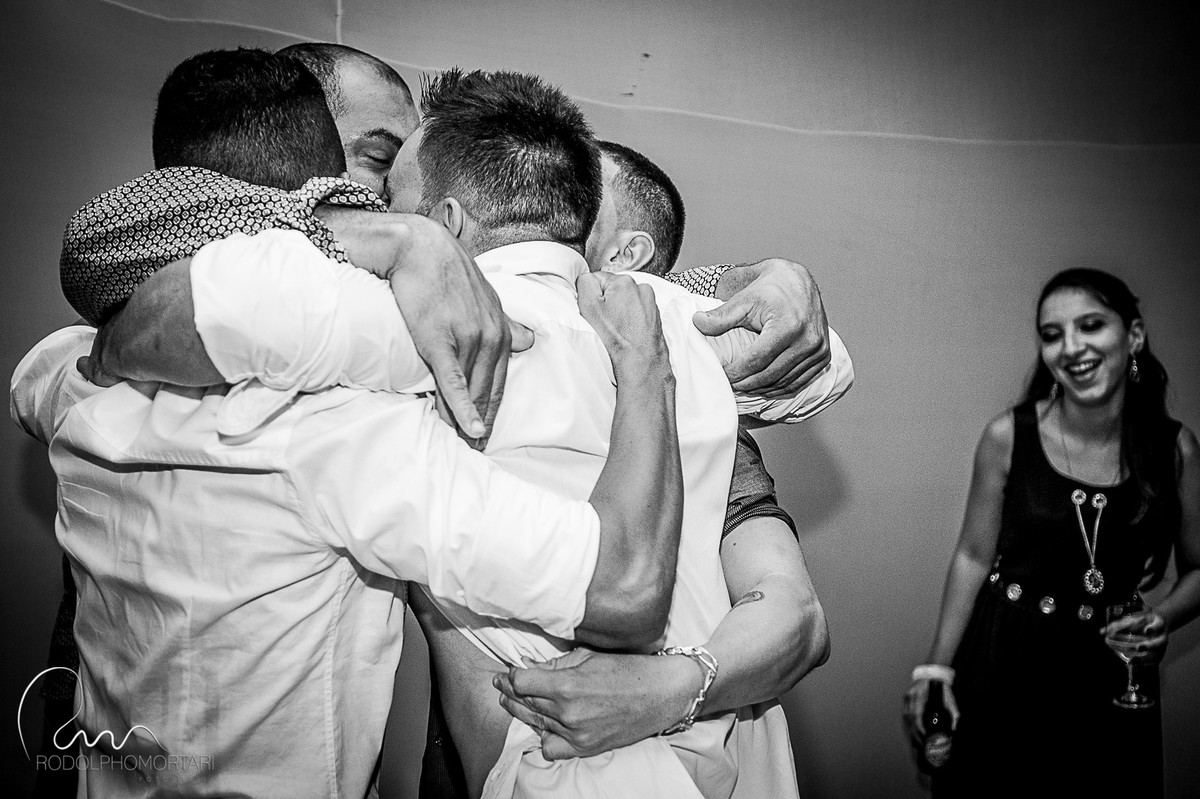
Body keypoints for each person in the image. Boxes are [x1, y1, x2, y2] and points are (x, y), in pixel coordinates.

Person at [14, 50, 693, 797]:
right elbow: (620, 589)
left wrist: (726, 284)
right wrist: (659, 350)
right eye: (376, 162)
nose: (391, 201)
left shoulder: (63, 378)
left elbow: (55, 361)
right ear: (315, 173)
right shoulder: (334, 415)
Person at [416, 137, 836, 799]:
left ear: (625, 254)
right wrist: (743, 277)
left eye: (581, 197)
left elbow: (797, 615)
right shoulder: (452, 344)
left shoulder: (697, 407)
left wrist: (670, 689)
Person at [902, 268, 1200, 798]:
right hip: (1004, 659)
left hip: (1111, 673)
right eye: (1052, 334)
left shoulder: (1175, 450)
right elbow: (973, 555)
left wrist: (1162, 620)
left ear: (1133, 335)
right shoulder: (1007, 436)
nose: (1072, 347)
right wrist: (936, 668)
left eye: (1091, 325)